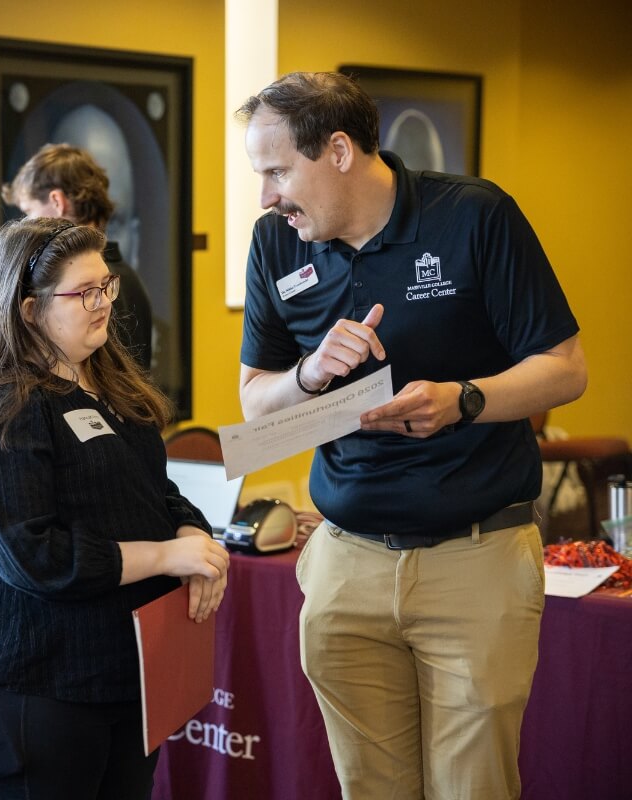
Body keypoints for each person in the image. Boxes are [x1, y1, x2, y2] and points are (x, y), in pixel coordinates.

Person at [235, 72, 587, 799]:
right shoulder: (275, 244)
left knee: (472, 789)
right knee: (371, 788)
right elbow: (254, 403)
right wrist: (305, 377)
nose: (268, 196)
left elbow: (565, 370)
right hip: (344, 560)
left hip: (476, 554)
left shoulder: (475, 216)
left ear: (337, 150)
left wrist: (466, 400)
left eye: (276, 172)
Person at [0, 217, 230, 800]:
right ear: (28, 310)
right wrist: (170, 554)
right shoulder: (2, 411)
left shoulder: (111, 384)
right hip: (33, 672)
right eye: (84, 292)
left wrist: (194, 536)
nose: (103, 303)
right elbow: (36, 557)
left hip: (122, 665)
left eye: (106, 286)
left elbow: (153, 490)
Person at [2, 142, 155, 371]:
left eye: (29, 212)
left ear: (57, 202)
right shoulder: (126, 276)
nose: (29, 225)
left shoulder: (103, 286)